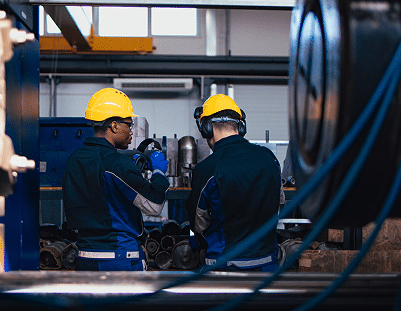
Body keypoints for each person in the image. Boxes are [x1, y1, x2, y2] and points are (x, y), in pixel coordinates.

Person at [62, 88, 169, 271]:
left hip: (84, 258)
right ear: (113, 125)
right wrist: (159, 173)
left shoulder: (73, 160)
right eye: (128, 124)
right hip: (119, 259)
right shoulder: (116, 163)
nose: (131, 131)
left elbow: (101, 194)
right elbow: (154, 204)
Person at [186, 94, 281, 272]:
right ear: (241, 126)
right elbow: (278, 204)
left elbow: (199, 224)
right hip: (268, 268)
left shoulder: (207, 169)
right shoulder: (270, 159)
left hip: (225, 272)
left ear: (206, 127)